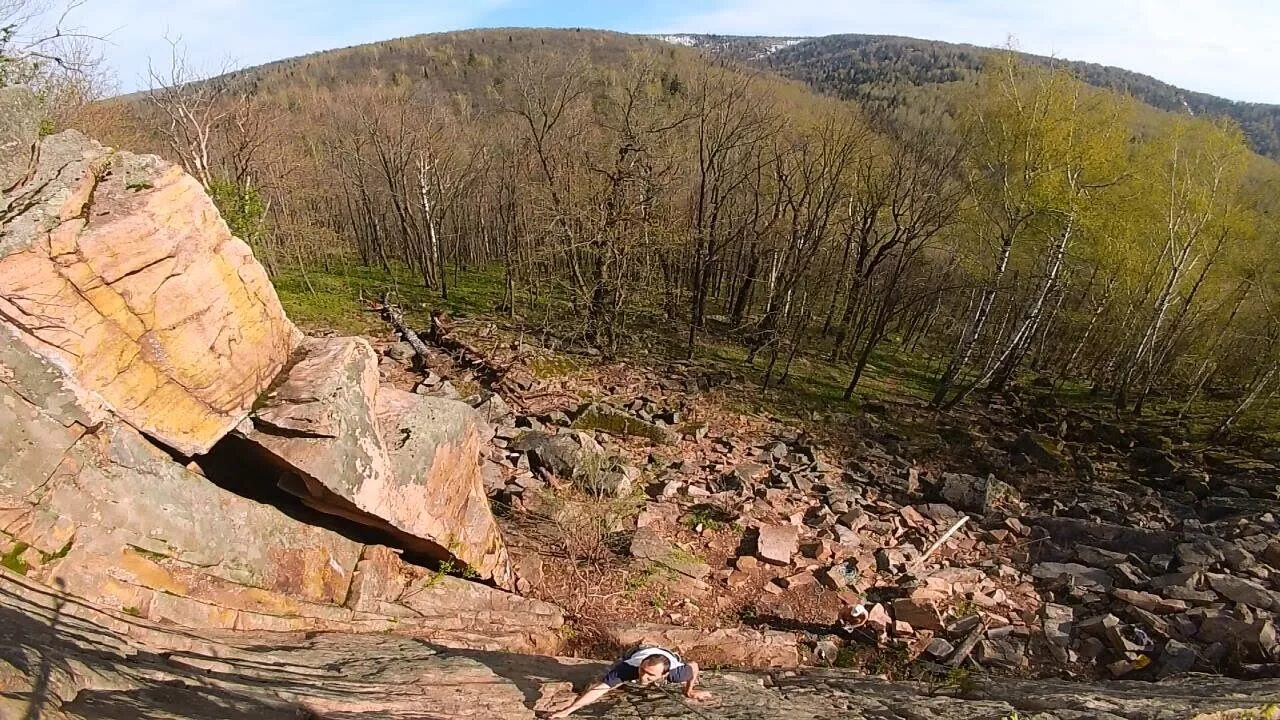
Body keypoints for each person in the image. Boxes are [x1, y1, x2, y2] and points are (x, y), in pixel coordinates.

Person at [547, 646, 711, 718]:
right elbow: (600, 690)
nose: (643, 677)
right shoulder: (628, 668)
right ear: (640, 665)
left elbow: (694, 666)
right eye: (642, 671)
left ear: (665, 674)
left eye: (650, 675)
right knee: (604, 679)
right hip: (638, 652)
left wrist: (689, 690)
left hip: (667, 656)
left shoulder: (677, 674)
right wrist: (568, 711)